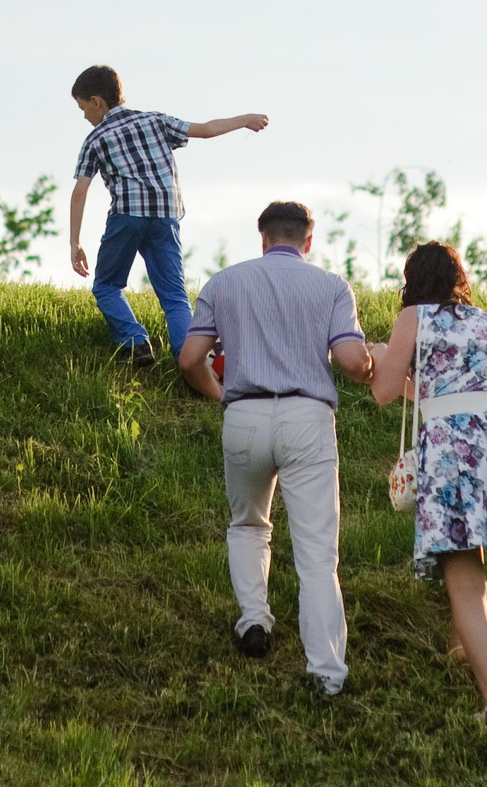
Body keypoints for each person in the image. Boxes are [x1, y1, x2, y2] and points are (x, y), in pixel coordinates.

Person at [177, 201, 373, 697]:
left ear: (262, 238)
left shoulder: (223, 283)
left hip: (244, 414)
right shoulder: (332, 286)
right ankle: (327, 673)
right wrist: (371, 364)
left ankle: (253, 619)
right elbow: (352, 362)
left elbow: (190, 359)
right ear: (308, 240)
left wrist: (220, 395)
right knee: (316, 554)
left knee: (247, 524)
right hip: (307, 417)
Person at [369, 240, 487, 729]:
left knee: (464, 576)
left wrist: (380, 357)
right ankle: (460, 645)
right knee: (471, 558)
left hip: (451, 448)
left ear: (412, 282)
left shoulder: (414, 318)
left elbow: (385, 392)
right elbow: (449, 389)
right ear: (459, 278)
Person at [67, 63, 268, 366]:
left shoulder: (95, 139)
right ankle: (190, 359)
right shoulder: (156, 120)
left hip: (127, 216)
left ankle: (135, 342)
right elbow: (206, 130)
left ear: (96, 101)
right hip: (165, 217)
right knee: (174, 294)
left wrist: (75, 242)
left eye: (83, 108)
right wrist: (245, 120)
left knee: (106, 285)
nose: (84, 116)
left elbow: (80, 191)